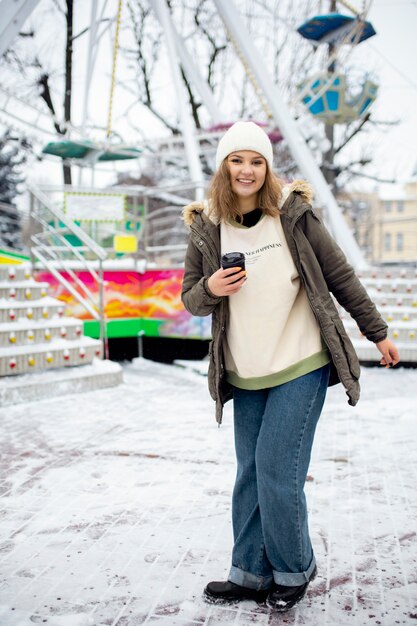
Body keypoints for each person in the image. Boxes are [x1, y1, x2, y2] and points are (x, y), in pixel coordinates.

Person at [181, 121, 400, 612]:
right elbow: (191, 298)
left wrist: (377, 330)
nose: (247, 170)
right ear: (223, 166)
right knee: (250, 473)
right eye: (237, 160)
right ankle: (249, 573)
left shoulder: (293, 216)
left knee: (278, 469)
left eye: (256, 161)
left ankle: (293, 568)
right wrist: (212, 288)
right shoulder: (206, 227)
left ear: (267, 168)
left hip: (301, 361)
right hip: (246, 368)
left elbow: (340, 274)